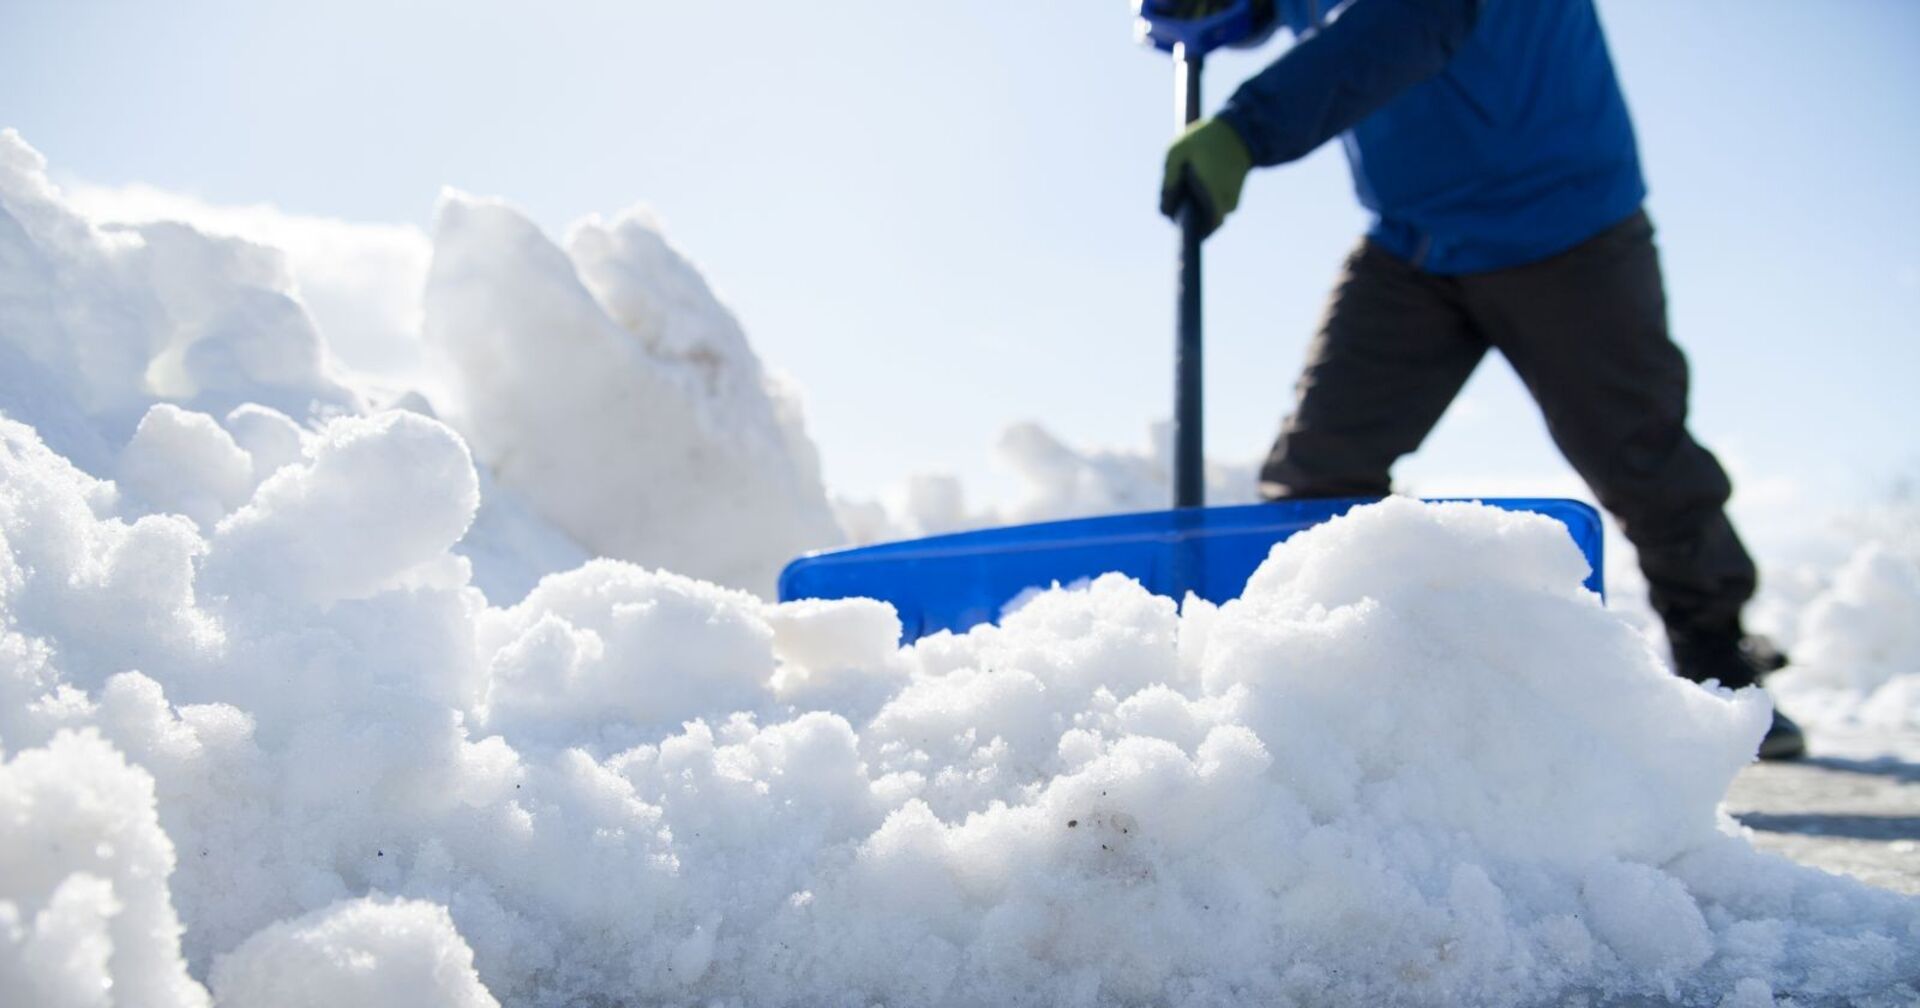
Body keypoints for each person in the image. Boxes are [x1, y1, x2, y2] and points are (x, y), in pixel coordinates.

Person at [1158, 0, 1805, 759]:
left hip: (1568, 225)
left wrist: (1246, 127)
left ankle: (1714, 650)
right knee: (1319, 470)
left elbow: (1412, 19)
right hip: (1412, 242)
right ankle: (1317, 683)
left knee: (1640, 456)